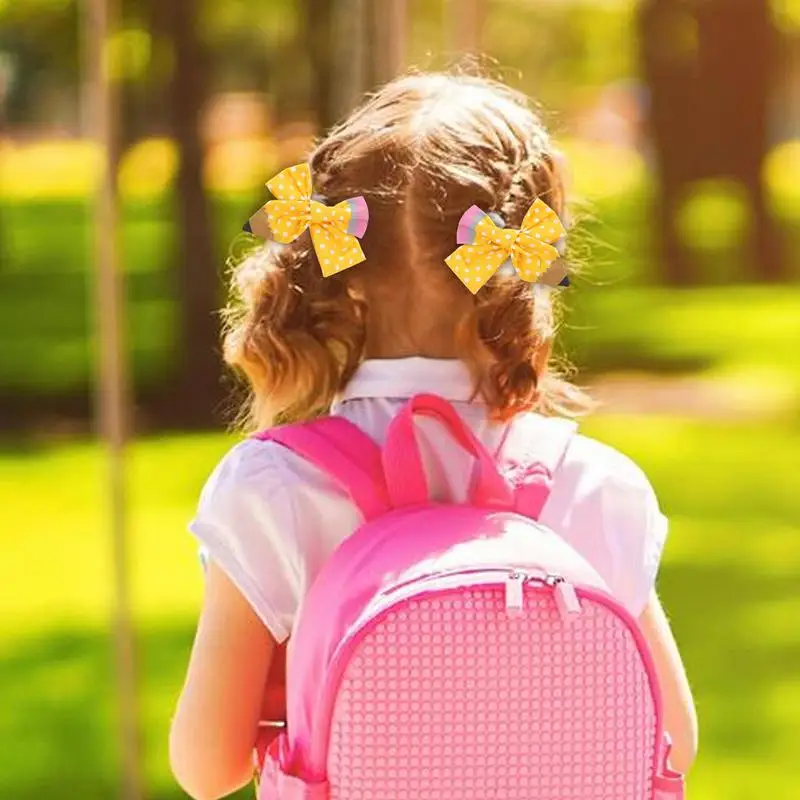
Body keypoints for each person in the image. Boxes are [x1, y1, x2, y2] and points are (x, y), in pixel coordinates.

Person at [169, 71, 698, 800]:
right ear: (520, 265)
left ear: (338, 266)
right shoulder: (591, 480)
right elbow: (673, 734)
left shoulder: (272, 488)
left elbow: (206, 766)